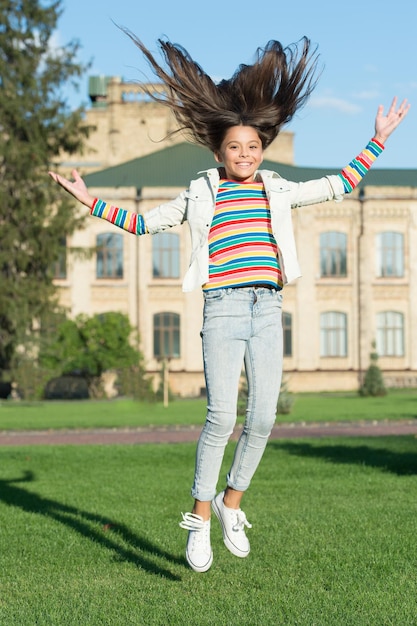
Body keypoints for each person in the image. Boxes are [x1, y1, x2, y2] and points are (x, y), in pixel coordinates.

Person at [49, 33, 409, 573]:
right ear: (218, 151)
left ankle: (229, 503)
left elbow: (339, 184)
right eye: (235, 147)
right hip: (221, 308)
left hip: (267, 308)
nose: (245, 154)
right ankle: (198, 521)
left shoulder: (279, 188)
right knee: (221, 416)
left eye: (253, 147)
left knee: (262, 417)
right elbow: (145, 223)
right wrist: (89, 199)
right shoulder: (199, 192)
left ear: (262, 150)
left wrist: (376, 139)